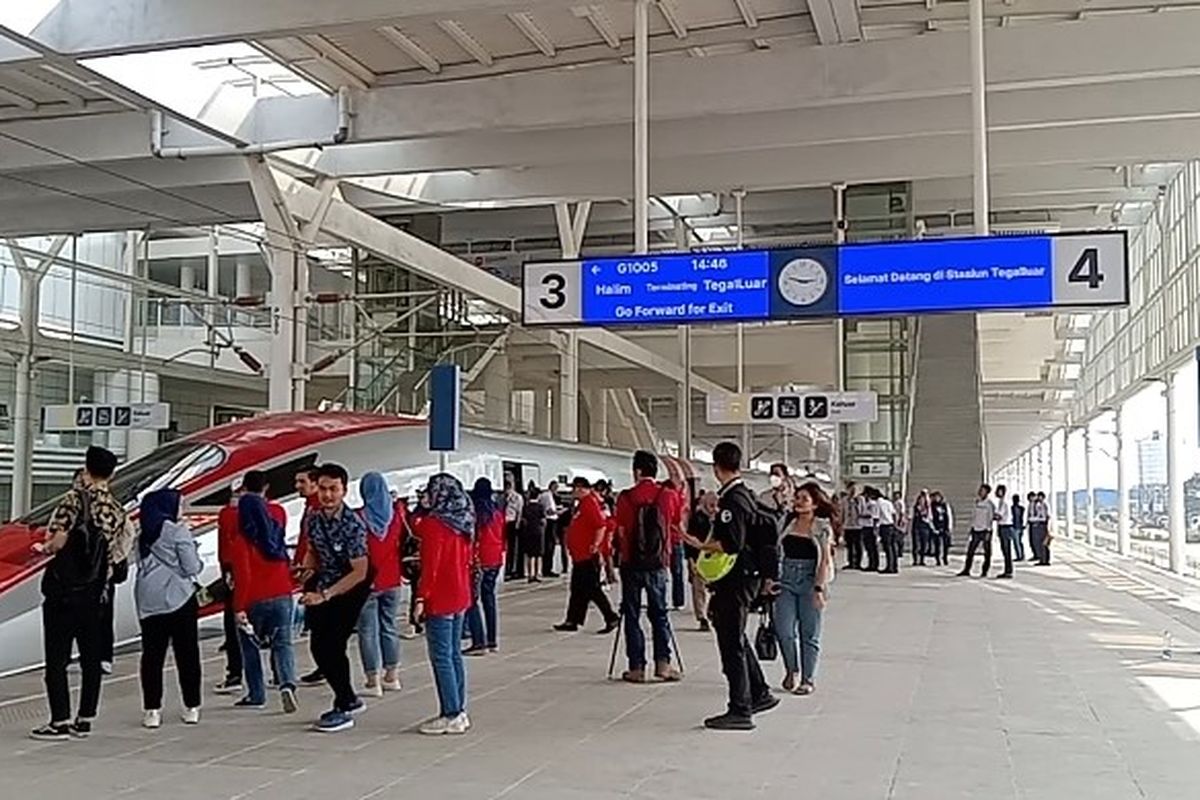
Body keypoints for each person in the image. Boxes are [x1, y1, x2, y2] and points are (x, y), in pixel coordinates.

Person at [31, 445, 132, 741]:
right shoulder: (116, 508)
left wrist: (45, 548)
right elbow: (119, 549)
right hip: (95, 592)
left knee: (57, 659)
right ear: (111, 474)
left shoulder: (73, 500)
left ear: (86, 468)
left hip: (64, 592)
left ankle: (59, 720)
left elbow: (57, 539)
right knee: (91, 658)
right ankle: (85, 718)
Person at [685, 441, 778, 731]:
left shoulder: (732, 500)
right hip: (747, 576)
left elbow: (732, 543)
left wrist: (701, 544)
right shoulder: (746, 494)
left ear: (716, 468)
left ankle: (740, 709)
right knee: (736, 636)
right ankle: (759, 692)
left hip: (736, 578)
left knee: (730, 642)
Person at [296, 463, 372, 733]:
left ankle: (344, 704)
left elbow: (360, 571)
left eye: (334, 489)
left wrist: (326, 595)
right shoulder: (314, 519)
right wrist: (307, 568)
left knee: (332, 645)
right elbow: (314, 551)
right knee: (318, 646)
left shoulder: (353, 525)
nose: (328, 495)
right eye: (324, 489)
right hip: (324, 585)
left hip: (351, 587)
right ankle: (348, 697)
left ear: (344, 491)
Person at [228, 472, 299, 714]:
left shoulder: (241, 541)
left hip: (254, 598)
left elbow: (243, 576)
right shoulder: (277, 520)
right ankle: (287, 683)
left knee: (250, 648)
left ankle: (256, 694)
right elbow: (270, 512)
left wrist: (238, 608)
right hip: (282, 591)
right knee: (283, 643)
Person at [134, 489, 203, 729]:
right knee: (187, 654)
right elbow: (192, 566)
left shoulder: (143, 534)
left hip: (148, 601)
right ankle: (191, 706)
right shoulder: (177, 531)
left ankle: (152, 710)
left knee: (152, 656)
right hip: (179, 598)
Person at [412, 474, 474, 735]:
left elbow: (431, 567)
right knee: (454, 655)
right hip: (460, 594)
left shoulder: (434, 525)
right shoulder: (465, 522)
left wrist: (420, 598)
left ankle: (450, 712)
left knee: (441, 657)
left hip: (440, 596)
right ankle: (459, 710)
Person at [614, 450, 682, 684]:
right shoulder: (668, 495)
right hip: (658, 564)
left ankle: (636, 668)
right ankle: (663, 665)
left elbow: (620, 530)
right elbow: (673, 524)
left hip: (630, 564)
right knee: (659, 614)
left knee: (632, 615)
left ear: (637, 471)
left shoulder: (625, 497)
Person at [774, 482, 834, 694]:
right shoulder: (786, 523)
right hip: (786, 580)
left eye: (804, 499)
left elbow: (825, 561)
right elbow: (776, 550)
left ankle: (808, 679)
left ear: (815, 504)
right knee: (784, 630)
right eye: (797, 498)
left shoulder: (822, 527)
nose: (798, 502)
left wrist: (819, 589)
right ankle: (792, 669)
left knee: (809, 633)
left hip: (811, 580)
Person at [355, 472, 404, 696]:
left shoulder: (359, 517)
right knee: (389, 626)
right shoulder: (396, 515)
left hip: (367, 581)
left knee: (367, 631)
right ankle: (391, 677)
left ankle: (372, 681)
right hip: (392, 579)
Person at [555, 477, 620, 633]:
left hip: (587, 556)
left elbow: (600, 525)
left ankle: (611, 617)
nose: (572, 492)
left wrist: (596, 544)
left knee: (592, 589)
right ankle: (573, 620)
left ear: (580, 488)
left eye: (574, 489)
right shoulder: (582, 504)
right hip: (579, 556)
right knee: (577, 589)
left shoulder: (589, 503)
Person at [293, 467, 325, 686]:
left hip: (317, 573)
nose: (297, 486)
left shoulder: (317, 510)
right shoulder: (310, 508)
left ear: (314, 484)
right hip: (310, 569)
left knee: (319, 622)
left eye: (302, 482)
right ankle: (322, 665)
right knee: (315, 623)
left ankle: (324, 665)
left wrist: (308, 567)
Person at [466, 477, 505, 654]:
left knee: (472, 600)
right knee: (489, 599)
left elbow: (473, 537)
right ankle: (492, 640)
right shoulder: (497, 512)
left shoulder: (476, 513)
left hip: (480, 559)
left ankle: (478, 641)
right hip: (495, 558)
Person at [213, 480, 245, 695]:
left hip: (233, 571)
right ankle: (280, 674)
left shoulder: (226, 514)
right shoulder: (269, 511)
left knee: (232, 624)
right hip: (257, 574)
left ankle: (235, 674)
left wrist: (226, 573)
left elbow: (223, 548)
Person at [686, 491, 717, 632]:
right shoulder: (697, 519)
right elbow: (690, 541)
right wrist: (690, 560)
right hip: (699, 558)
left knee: (715, 590)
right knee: (699, 589)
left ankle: (711, 609)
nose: (713, 508)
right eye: (711, 505)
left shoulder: (720, 518)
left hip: (716, 559)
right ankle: (702, 616)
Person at [958, 483, 997, 579]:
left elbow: (990, 518)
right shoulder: (977, 502)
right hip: (976, 529)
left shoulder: (989, 504)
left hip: (985, 530)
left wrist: (988, 530)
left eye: (982, 490)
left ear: (987, 492)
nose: (980, 492)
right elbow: (974, 516)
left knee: (987, 553)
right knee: (970, 551)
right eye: (980, 490)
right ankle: (966, 569)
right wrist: (972, 527)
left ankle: (984, 571)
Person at [665, 478, 689, 612]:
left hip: (665, 540)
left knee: (661, 572)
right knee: (677, 572)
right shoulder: (678, 499)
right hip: (676, 540)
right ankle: (678, 601)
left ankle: (661, 599)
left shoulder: (665, 498)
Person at [520, 485, 547, 584]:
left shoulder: (526, 507)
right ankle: (537, 573)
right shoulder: (540, 507)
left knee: (530, 554)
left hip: (528, 532)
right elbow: (543, 520)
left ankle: (530, 574)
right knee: (538, 554)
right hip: (538, 532)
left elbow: (523, 520)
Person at [872, 487, 899, 574]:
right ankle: (894, 566)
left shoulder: (877, 504)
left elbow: (876, 517)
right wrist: (895, 524)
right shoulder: (888, 502)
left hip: (884, 526)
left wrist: (875, 529)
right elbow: (894, 514)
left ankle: (889, 567)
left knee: (887, 548)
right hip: (891, 524)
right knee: (893, 547)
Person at [538, 481, 563, 578]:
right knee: (550, 546)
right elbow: (549, 511)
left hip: (549, 521)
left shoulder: (544, 495)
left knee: (549, 545)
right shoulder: (548, 496)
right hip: (550, 521)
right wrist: (559, 512)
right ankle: (547, 569)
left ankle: (547, 568)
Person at [503, 477, 524, 580]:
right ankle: (506, 568)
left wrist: (517, 524)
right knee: (505, 547)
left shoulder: (517, 497)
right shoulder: (502, 497)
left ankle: (511, 569)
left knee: (512, 548)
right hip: (503, 522)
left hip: (512, 522)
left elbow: (519, 511)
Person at [994, 484, 1015, 579]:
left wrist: (991, 516)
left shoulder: (1004, 502)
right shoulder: (1002, 502)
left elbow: (999, 516)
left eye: (999, 491)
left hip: (1005, 527)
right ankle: (1008, 570)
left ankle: (1008, 571)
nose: (997, 492)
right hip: (1003, 527)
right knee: (1005, 550)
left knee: (1006, 550)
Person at [860, 486, 882, 573]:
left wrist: (862, 515)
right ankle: (871, 563)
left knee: (872, 547)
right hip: (865, 526)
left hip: (870, 526)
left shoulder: (872, 504)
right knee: (868, 547)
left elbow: (873, 516)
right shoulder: (867, 503)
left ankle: (874, 564)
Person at [843, 483, 864, 569]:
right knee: (849, 545)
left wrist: (856, 502)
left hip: (858, 525)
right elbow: (843, 512)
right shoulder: (845, 500)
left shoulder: (860, 499)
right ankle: (850, 562)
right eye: (850, 489)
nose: (852, 491)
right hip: (848, 525)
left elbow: (862, 511)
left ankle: (858, 563)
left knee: (858, 545)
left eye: (854, 489)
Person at [930, 491, 954, 567]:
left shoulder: (945, 505)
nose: (936, 499)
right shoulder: (932, 506)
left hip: (944, 526)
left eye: (938, 497)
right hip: (936, 526)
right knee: (937, 544)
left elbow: (949, 516)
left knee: (945, 544)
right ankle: (937, 559)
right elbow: (930, 517)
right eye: (935, 497)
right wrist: (933, 527)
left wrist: (949, 527)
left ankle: (945, 557)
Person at [912, 490, 933, 567]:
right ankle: (916, 559)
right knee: (916, 543)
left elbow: (930, 515)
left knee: (924, 543)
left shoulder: (929, 506)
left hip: (925, 525)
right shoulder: (917, 507)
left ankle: (922, 559)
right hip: (918, 524)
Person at [1028, 491, 1050, 565]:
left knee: (1043, 543)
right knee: (1041, 543)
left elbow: (1043, 516)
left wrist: (1033, 519)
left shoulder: (1042, 505)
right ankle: (1043, 559)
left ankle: (1044, 560)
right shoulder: (1038, 505)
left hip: (1041, 525)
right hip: (1040, 524)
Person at [1012, 492, 1027, 562]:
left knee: (1017, 542)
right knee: (1019, 542)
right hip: (1020, 526)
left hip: (1016, 526)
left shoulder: (1012, 508)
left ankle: (1019, 556)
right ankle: (1021, 555)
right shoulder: (1021, 508)